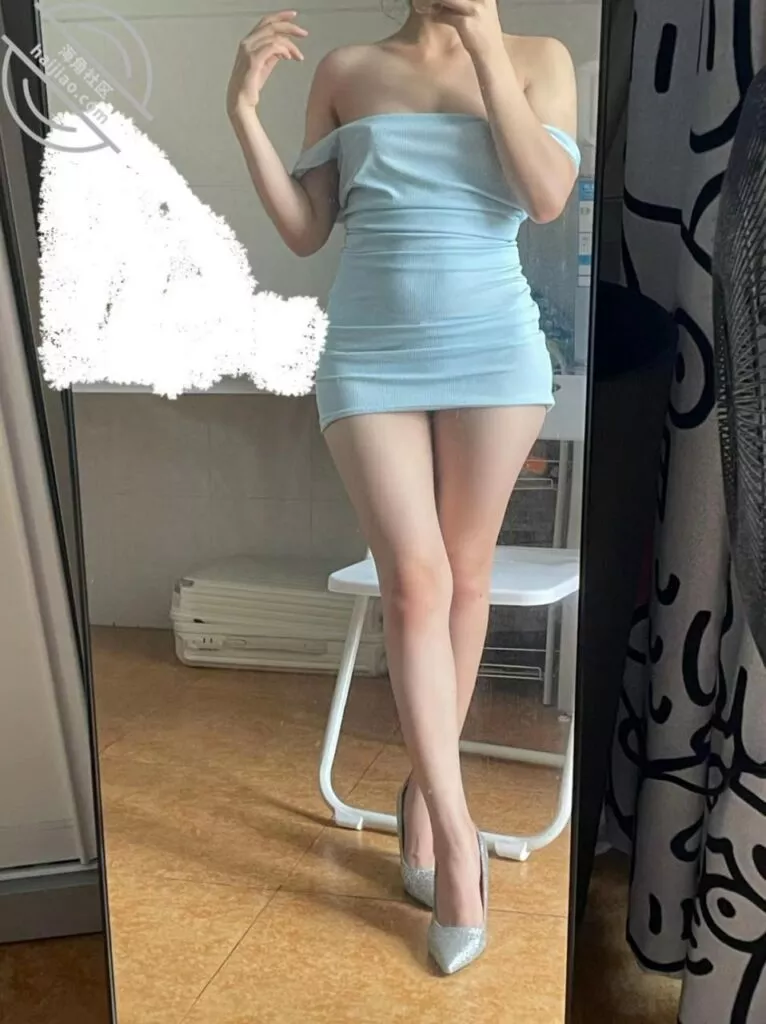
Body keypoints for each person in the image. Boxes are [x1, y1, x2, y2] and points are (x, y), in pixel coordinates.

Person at [226, 0, 578, 974]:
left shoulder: (539, 58)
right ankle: (459, 844)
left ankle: (425, 797)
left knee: (464, 577)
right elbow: (308, 230)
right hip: (369, 354)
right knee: (414, 582)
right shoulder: (345, 70)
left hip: (494, 350)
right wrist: (243, 113)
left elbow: (546, 195)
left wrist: (484, 46)